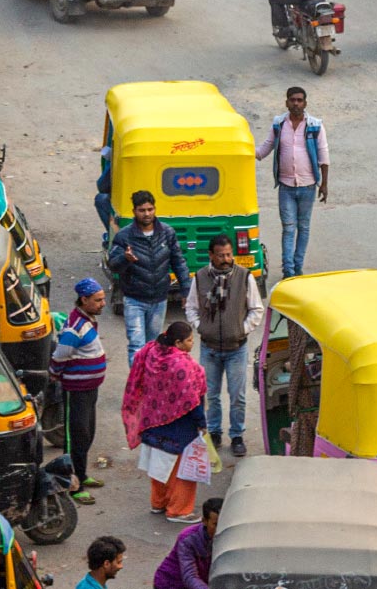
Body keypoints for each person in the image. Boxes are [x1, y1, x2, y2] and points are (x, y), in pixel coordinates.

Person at [184, 234, 263, 457]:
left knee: (238, 395)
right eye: (221, 255)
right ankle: (215, 433)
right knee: (210, 395)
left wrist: (242, 329)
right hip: (209, 348)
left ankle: (237, 435)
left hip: (237, 348)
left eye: (229, 254)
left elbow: (256, 309)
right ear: (211, 256)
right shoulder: (200, 278)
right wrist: (200, 327)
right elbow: (191, 307)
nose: (226, 259)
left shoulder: (244, 277)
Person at [121, 321, 206, 522]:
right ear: (177, 342)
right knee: (181, 470)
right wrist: (201, 422)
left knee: (158, 465)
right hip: (179, 425)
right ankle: (179, 509)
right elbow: (191, 400)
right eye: (189, 340)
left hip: (152, 420)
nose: (192, 343)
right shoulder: (180, 365)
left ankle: (158, 503)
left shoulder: (152, 352)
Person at [253, 85, 328, 280]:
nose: (296, 103)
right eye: (292, 100)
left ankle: (298, 266)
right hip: (286, 186)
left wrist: (324, 184)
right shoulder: (279, 124)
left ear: (305, 103)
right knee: (288, 227)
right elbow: (266, 147)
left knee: (303, 227)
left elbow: (323, 155)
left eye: (299, 100)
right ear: (286, 102)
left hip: (308, 185)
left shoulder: (315, 125)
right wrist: (245, 151)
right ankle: (288, 271)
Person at [107, 190, 191, 361]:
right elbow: (113, 265)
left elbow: (179, 262)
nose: (146, 214)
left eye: (150, 209)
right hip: (134, 300)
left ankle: (150, 382)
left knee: (153, 346)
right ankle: (138, 385)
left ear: (155, 209)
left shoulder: (167, 233)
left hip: (159, 300)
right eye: (142, 210)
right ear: (134, 212)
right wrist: (125, 258)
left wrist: (186, 290)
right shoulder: (124, 236)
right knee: (136, 346)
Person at [51, 278, 109, 502]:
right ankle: (71, 484)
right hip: (75, 390)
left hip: (89, 389)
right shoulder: (74, 328)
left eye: (103, 299)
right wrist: (56, 376)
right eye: (98, 300)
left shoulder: (89, 320)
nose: (103, 303)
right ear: (84, 300)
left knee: (87, 433)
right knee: (75, 436)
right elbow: (59, 357)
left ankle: (82, 474)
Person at [152, 497, 222, 589]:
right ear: (204, 521)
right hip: (170, 584)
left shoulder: (230, 533)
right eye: (216, 524)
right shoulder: (188, 538)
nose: (220, 528)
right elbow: (190, 576)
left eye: (224, 523)